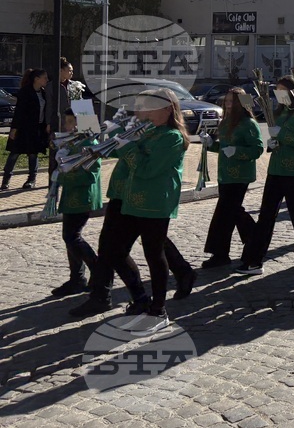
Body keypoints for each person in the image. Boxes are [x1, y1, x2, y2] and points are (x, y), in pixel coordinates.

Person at [71, 89, 189, 332]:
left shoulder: (172, 137)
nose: (139, 112)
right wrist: (102, 133)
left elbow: (147, 169)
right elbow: (112, 150)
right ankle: (140, 298)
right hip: (130, 201)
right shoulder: (147, 131)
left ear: (167, 109)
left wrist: (126, 146)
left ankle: (159, 310)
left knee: (154, 255)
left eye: (146, 107)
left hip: (155, 203)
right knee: (114, 251)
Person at [236, 78, 294, 275]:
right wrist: (273, 143)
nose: (280, 94)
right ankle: (254, 260)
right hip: (276, 170)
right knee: (266, 216)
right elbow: (277, 139)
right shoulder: (278, 114)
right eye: (277, 90)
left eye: (283, 90)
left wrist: (286, 138)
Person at [201, 88, 264, 269]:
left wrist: (238, 152)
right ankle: (253, 242)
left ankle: (229, 250)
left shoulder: (248, 123)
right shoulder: (227, 122)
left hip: (240, 175)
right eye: (226, 101)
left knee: (227, 212)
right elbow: (225, 148)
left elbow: (257, 149)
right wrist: (212, 144)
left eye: (232, 102)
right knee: (231, 212)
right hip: (225, 174)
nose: (228, 105)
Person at [50, 110, 102, 297]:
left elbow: (90, 173)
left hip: (82, 196)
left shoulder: (89, 144)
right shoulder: (74, 142)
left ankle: (97, 269)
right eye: (66, 121)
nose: (66, 125)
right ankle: (77, 278)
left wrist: (63, 176)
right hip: (72, 196)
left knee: (72, 237)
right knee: (69, 237)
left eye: (71, 121)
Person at [2, 69, 49, 190]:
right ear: (36, 79)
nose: (46, 80)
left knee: (33, 154)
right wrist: (14, 129)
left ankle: (31, 179)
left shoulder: (44, 93)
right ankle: (6, 180)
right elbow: (19, 112)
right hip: (24, 128)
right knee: (15, 153)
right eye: (44, 78)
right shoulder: (25, 92)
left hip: (36, 128)